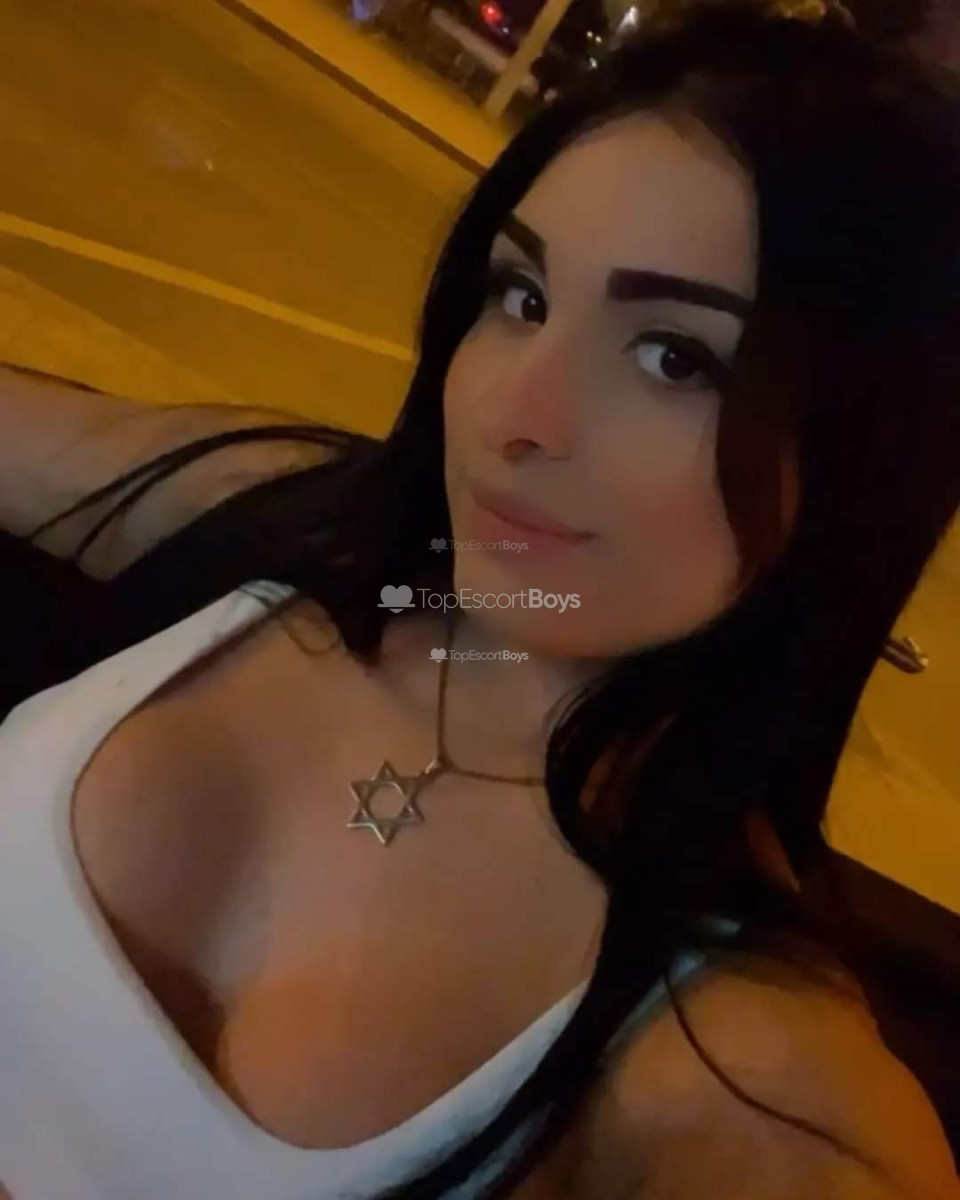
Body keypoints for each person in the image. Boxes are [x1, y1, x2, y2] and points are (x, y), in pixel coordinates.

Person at [1, 3, 959, 1197]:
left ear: (862, 462)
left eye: (674, 357)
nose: (515, 417)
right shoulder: (291, 519)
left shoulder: (745, 1072)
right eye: (523, 296)